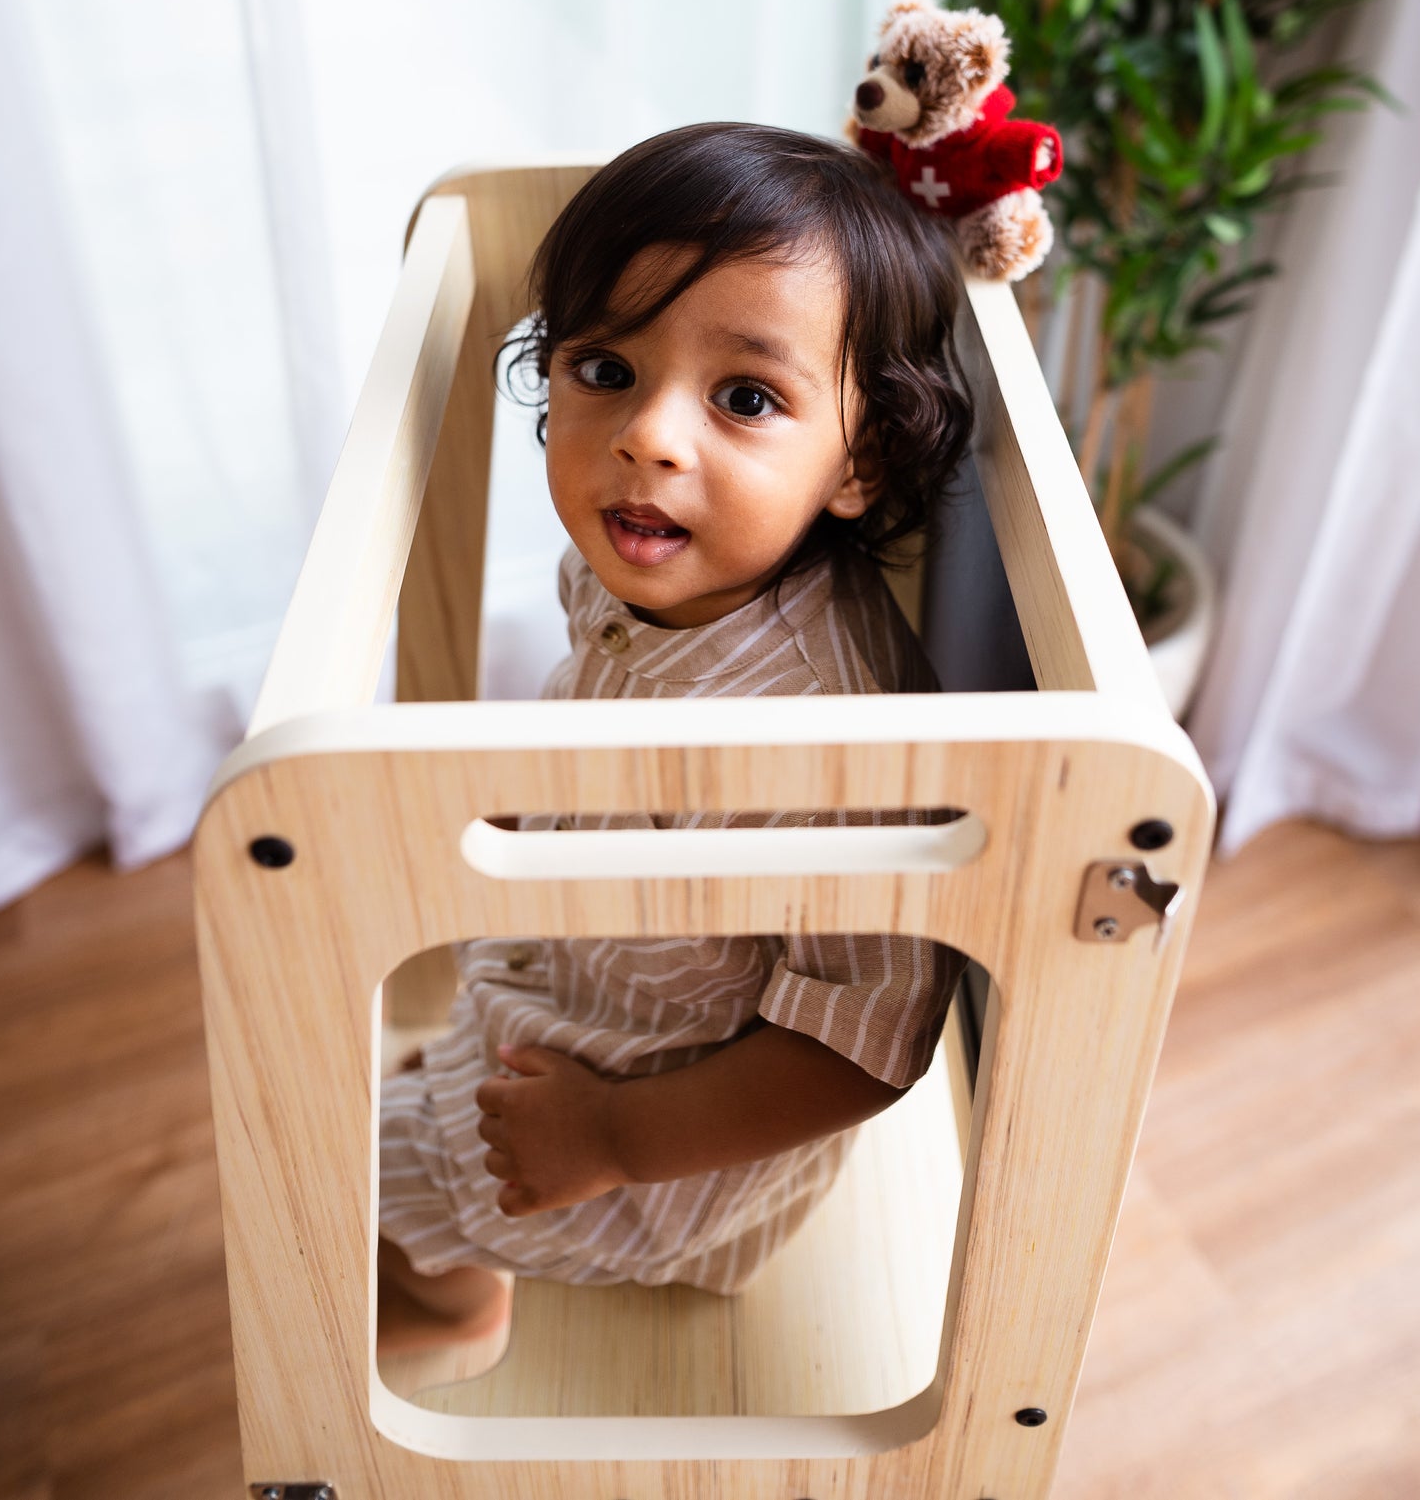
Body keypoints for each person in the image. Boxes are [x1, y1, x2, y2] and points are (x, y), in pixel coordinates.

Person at [377, 123, 973, 1368]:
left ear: (856, 461)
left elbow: (864, 1043)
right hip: (564, 986)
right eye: (604, 366)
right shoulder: (655, 564)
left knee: (338, 1193)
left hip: (662, 1138)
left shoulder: (815, 743)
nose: (646, 434)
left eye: (745, 398)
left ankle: (447, 1293)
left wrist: (612, 1138)